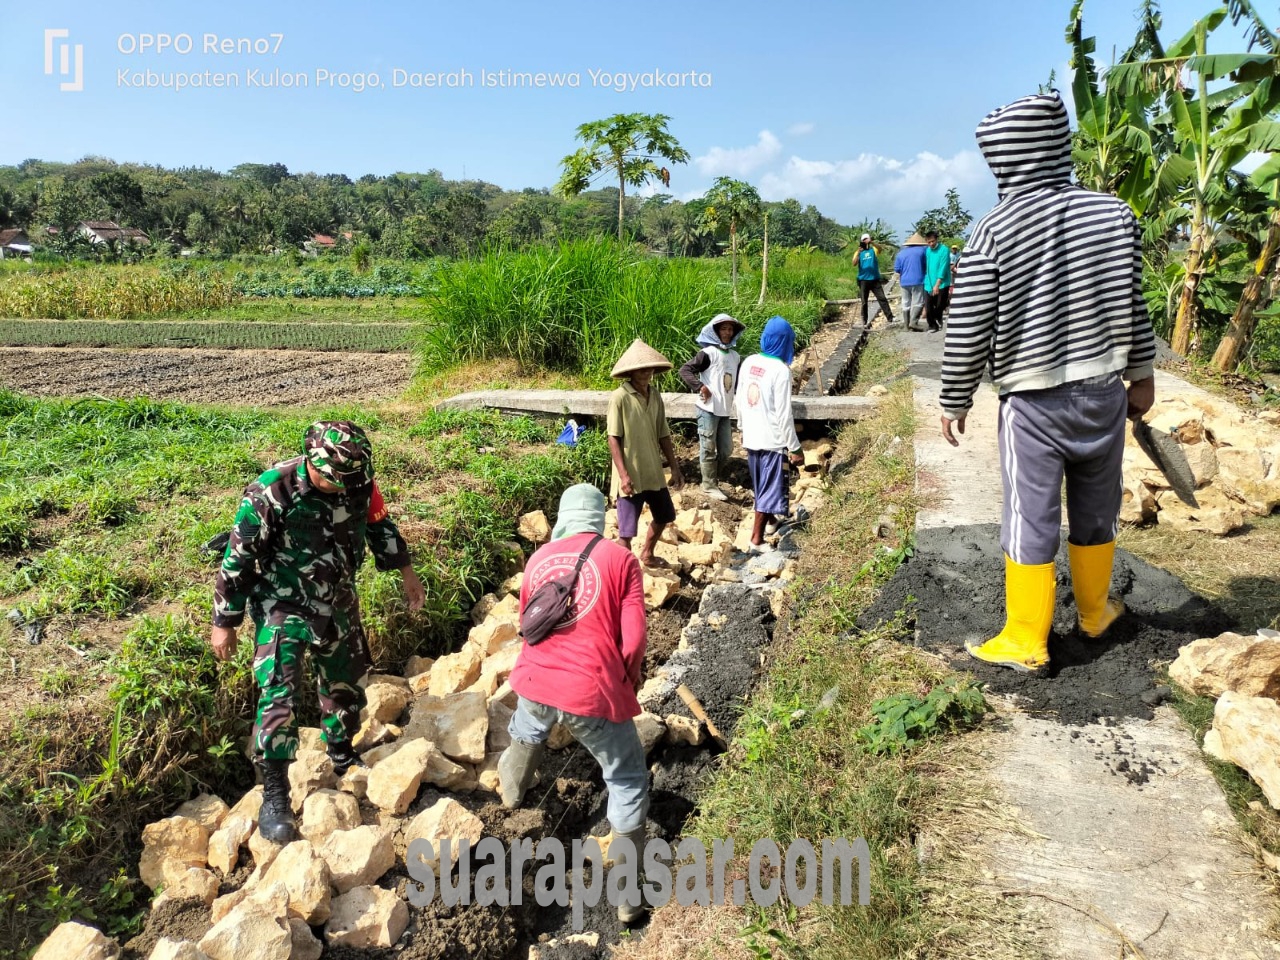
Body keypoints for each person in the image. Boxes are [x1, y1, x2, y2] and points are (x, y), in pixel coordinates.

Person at [939, 91, 1156, 675]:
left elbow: (969, 322)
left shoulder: (993, 230)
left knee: (1029, 515)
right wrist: (1141, 374)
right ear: (1059, 147)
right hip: (1104, 392)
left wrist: (955, 395)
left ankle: (1026, 638)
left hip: (1033, 403)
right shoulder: (1115, 215)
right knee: (1097, 505)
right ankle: (1094, 612)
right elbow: (1134, 305)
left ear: (1003, 161)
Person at [211, 421, 426, 842]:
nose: (339, 485)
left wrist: (406, 572)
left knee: (345, 681)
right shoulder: (272, 491)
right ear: (311, 460)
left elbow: (380, 527)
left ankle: (342, 756)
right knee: (279, 690)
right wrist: (225, 622)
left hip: (338, 597)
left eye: (347, 479)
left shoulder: (357, 479)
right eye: (331, 477)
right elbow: (237, 559)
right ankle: (275, 794)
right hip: (282, 602)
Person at [498, 483, 650, 924]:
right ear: (599, 517)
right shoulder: (621, 559)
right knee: (626, 778)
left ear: (565, 516)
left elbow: (528, 624)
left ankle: (512, 792)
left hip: (535, 680)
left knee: (527, 730)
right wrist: (626, 679)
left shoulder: (539, 559)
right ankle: (627, 897)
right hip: (589, 690)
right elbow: (635, 637)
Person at [607, 338, 686, 567]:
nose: (644, 372)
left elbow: (663, 434)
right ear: (630, 372)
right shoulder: (620, 398)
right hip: (631, 472)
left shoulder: (655, 396)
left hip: (652, 470)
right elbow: (613, 437)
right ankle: (624, 573)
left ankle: (647, 554)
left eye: (648, 368)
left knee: (665, 515)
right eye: (639, 369)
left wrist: (675, 467)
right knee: (626, 531)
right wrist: (623, 475)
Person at [735, 316, 805, 550]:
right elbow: (784, 415)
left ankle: (771, 522)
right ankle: (756, 540)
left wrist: (742, 427)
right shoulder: (781, 371)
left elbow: (740, 399)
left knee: (760, 484)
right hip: (772, 440)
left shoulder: (750, 362)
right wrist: (794, 447)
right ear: (786, 342)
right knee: (768, 489)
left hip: (752, 436)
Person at [679, 313, 745, 502]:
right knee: (707, 447)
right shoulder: (707, 354)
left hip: (724, 410)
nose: (727, 332)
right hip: (708, 408)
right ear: (716, 332)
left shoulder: (735, 356)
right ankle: (708, 485)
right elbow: (685, 370)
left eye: (730, 329)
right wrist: (700, 387)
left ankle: (712, 477)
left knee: (726, 449)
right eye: (723, 329)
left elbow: (736, 382)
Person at [853, 232, 895, 326]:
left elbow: (880, 249)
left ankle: (890, 317)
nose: (865, 241)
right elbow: (854, 263)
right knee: (864, 301)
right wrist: (859, 253)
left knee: (882, 298)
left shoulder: (873, 250)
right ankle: (864, 321)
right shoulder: (858, 252)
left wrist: (872, 242)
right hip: (863, 280)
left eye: (866, 239)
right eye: (863, 240)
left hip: (875, 279)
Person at [894, 233, 929, 331]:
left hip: (904, 281)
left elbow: (897, 269)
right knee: (918, 302)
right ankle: (914, 322)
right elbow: (926, 265)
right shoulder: (923, 251)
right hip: (918, 280)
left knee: (906, 302)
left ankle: (906, 326)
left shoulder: (901, 253)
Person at [923, 229, 952, 332]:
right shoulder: (928, 251)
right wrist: (929, 283)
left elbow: (943, 267)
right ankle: (932, 325)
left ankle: (938, 316)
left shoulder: (944, 250)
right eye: (929, 242)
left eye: (932, 241)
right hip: (929, 282)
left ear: (936, 240)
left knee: (940, 305)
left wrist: (937, 284)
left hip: (942, 282)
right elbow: (927, 267)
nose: (931, 244)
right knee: (928, 305)